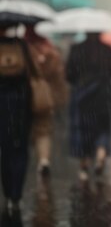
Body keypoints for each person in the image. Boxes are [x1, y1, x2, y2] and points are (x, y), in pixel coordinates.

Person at [66, 32, 111, 181]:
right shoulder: (107, 49)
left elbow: (68, 75)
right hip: (104, 94)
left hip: (82, 95)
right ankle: (101, 154)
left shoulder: (76, 49)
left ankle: (84, 165)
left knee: (83, 129)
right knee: (103, 127)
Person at [24, 24, 68, 177]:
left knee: (23, 128)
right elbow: (59, 76)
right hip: (44, 96)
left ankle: (23, 159)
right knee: (43, 129)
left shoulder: (22, 48)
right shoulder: (50, 50)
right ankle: (43, 160)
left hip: (22, 95)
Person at [0, 25, 33, 218]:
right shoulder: (21, 45)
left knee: (5, 149)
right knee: (20, 149)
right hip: (21, 102)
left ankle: (7, 191)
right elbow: (33, 71)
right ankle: (16, 194)